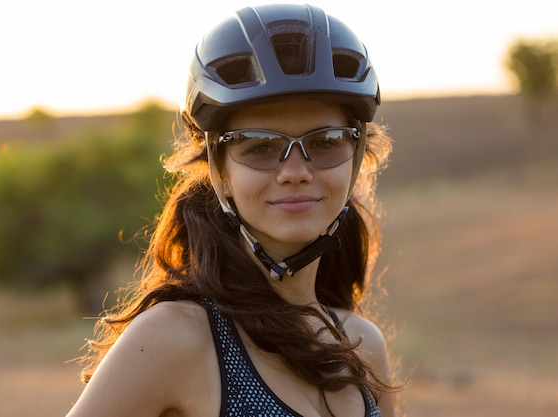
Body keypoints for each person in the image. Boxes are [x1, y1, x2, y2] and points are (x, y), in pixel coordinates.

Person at [67, 3, 401, 417]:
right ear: (219, 171)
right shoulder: (174, 338)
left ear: (356, 157)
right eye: (260, 146)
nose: (295, 172)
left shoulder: (363, 345)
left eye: (325, 141)